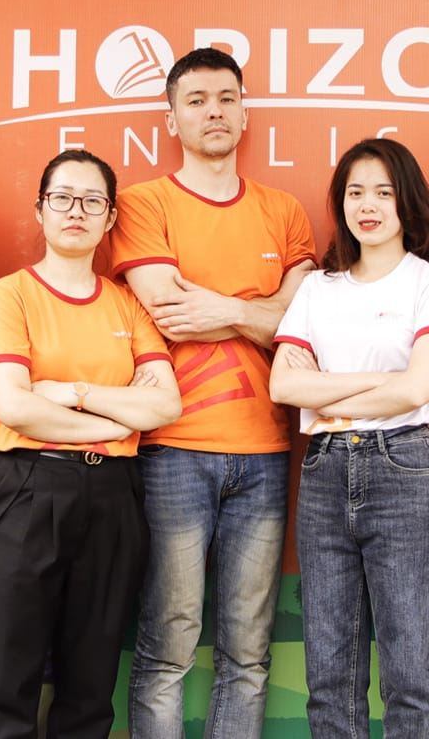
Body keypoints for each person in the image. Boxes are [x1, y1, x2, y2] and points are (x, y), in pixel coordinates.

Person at [110, 48, 316, 738]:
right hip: (173, 449)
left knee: (248, 650)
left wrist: (224, 310)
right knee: (169, 640)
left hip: (265, 452)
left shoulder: (283, 211)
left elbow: (300, 325)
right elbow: (169, 309)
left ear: (245, 112)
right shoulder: (144, 203)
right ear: (172, 119)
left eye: (227, 98)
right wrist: (260, 310)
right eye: (196, 100)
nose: (214, 111)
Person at [0, 149, 181, 739]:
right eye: (62, 198)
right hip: (28, 488)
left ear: (110, 218)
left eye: (92, 201)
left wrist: (74, 393)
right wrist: (117, 421)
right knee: (4, 679)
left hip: (113, 497)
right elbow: (14, 406)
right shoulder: (10, 295)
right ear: (40, 210)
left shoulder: (126, 303)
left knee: (90, 687)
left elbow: (165, 405)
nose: (76, 211)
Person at [269, 138, 429, 738]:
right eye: (355, 193)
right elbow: (283, 385)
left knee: (407, 673)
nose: (368, 205)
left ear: (407, 201)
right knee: (330, 673)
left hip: (402, 465)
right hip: (325, 470)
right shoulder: (318, 289)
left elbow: (418, 388)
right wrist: (380, 381)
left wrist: (326, 393)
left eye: (383, 192)